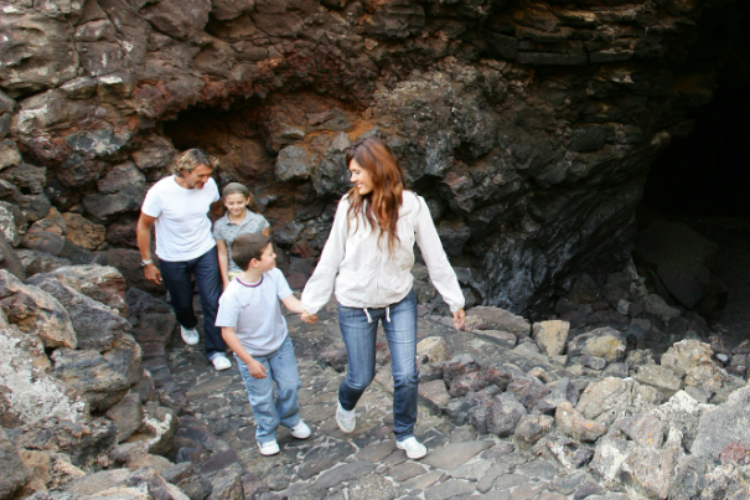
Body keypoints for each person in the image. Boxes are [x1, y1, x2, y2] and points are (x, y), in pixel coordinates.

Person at [301, 137, 466, 460]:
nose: (352, 179)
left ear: (377, 169)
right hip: (354, 304)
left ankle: (404, 433)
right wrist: (312, 301)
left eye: (357, 172)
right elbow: (330, 258)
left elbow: (435, 255)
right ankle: (345, 403)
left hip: (398, 301)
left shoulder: (413, 206)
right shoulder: (348, 207)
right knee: (361, 376)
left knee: (406, 374)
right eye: (350, 173)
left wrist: (455, 299)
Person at [216, 233, 317, 456]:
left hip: (279, 344)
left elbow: (288, 300)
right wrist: (249, 361)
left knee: (290, 384)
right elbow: (228, 333)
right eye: (270, 254)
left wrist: (305, 310)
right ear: (255, 262)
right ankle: (267, 433)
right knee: (261, 396)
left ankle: (290, 418)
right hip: (251, 353)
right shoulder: (232, 295)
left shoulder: (274, 275)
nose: (274, 257)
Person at [137, 148, 232, 371]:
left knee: (213, 301)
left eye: (208, 175)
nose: (206, 179)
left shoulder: (209, 185)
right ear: (184, 171)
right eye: (200, 175)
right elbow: (143, 226)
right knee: (181, 301)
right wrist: (147, 262)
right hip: (172, 255)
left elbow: (215, 207)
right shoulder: (160, 193)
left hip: (204, 249)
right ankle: (187, 323)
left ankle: (216, 351)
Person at [213, 182, 271, 288]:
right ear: (225, 202)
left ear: (247, 200)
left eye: (240, 202)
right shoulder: (219, 225)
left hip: (257, 271)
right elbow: (222, 253)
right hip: (234, 273)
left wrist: (270, 272)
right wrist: (225, 280)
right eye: (231, 203)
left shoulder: (259, 221)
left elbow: (267, 249)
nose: (235, 207)